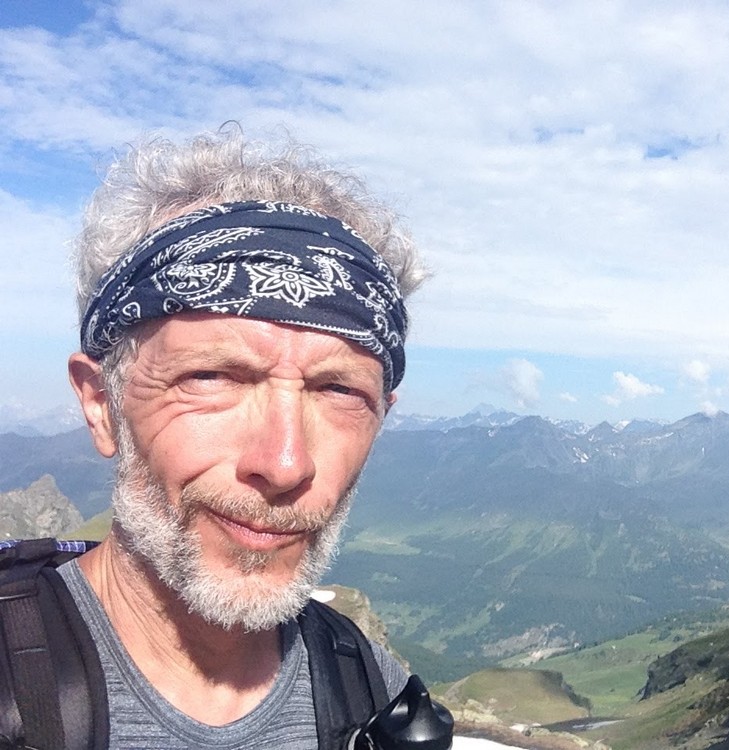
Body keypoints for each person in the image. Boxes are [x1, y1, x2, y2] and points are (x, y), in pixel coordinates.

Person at [17, 129, 429, 747]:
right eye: (212, 377)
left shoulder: (374, 695)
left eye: (340, 390)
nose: (285, 463)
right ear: (102, 403)